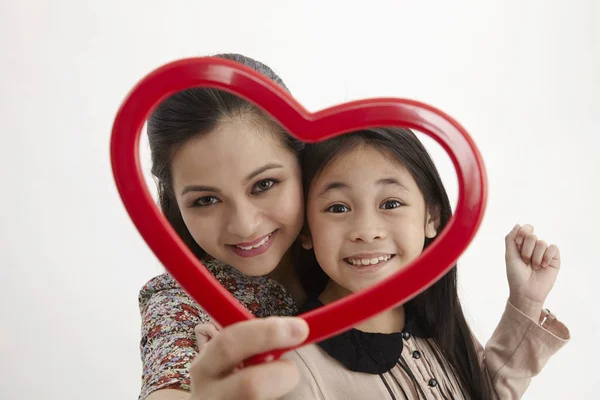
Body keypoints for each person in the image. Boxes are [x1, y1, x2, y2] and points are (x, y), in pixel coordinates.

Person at [273, 128, 569, 399]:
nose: (366, 231)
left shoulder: (435, 324)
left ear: (431, 218)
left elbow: (485, 392)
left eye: (390, 204)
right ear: (306, 230)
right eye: (338, 207)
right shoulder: (294, 367)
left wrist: (526, 300)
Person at [138, 53, 311, 400]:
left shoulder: (365, 251)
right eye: (206, 200)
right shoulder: (182, 301)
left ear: (303, 164)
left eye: (264, 184)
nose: (245, 226)